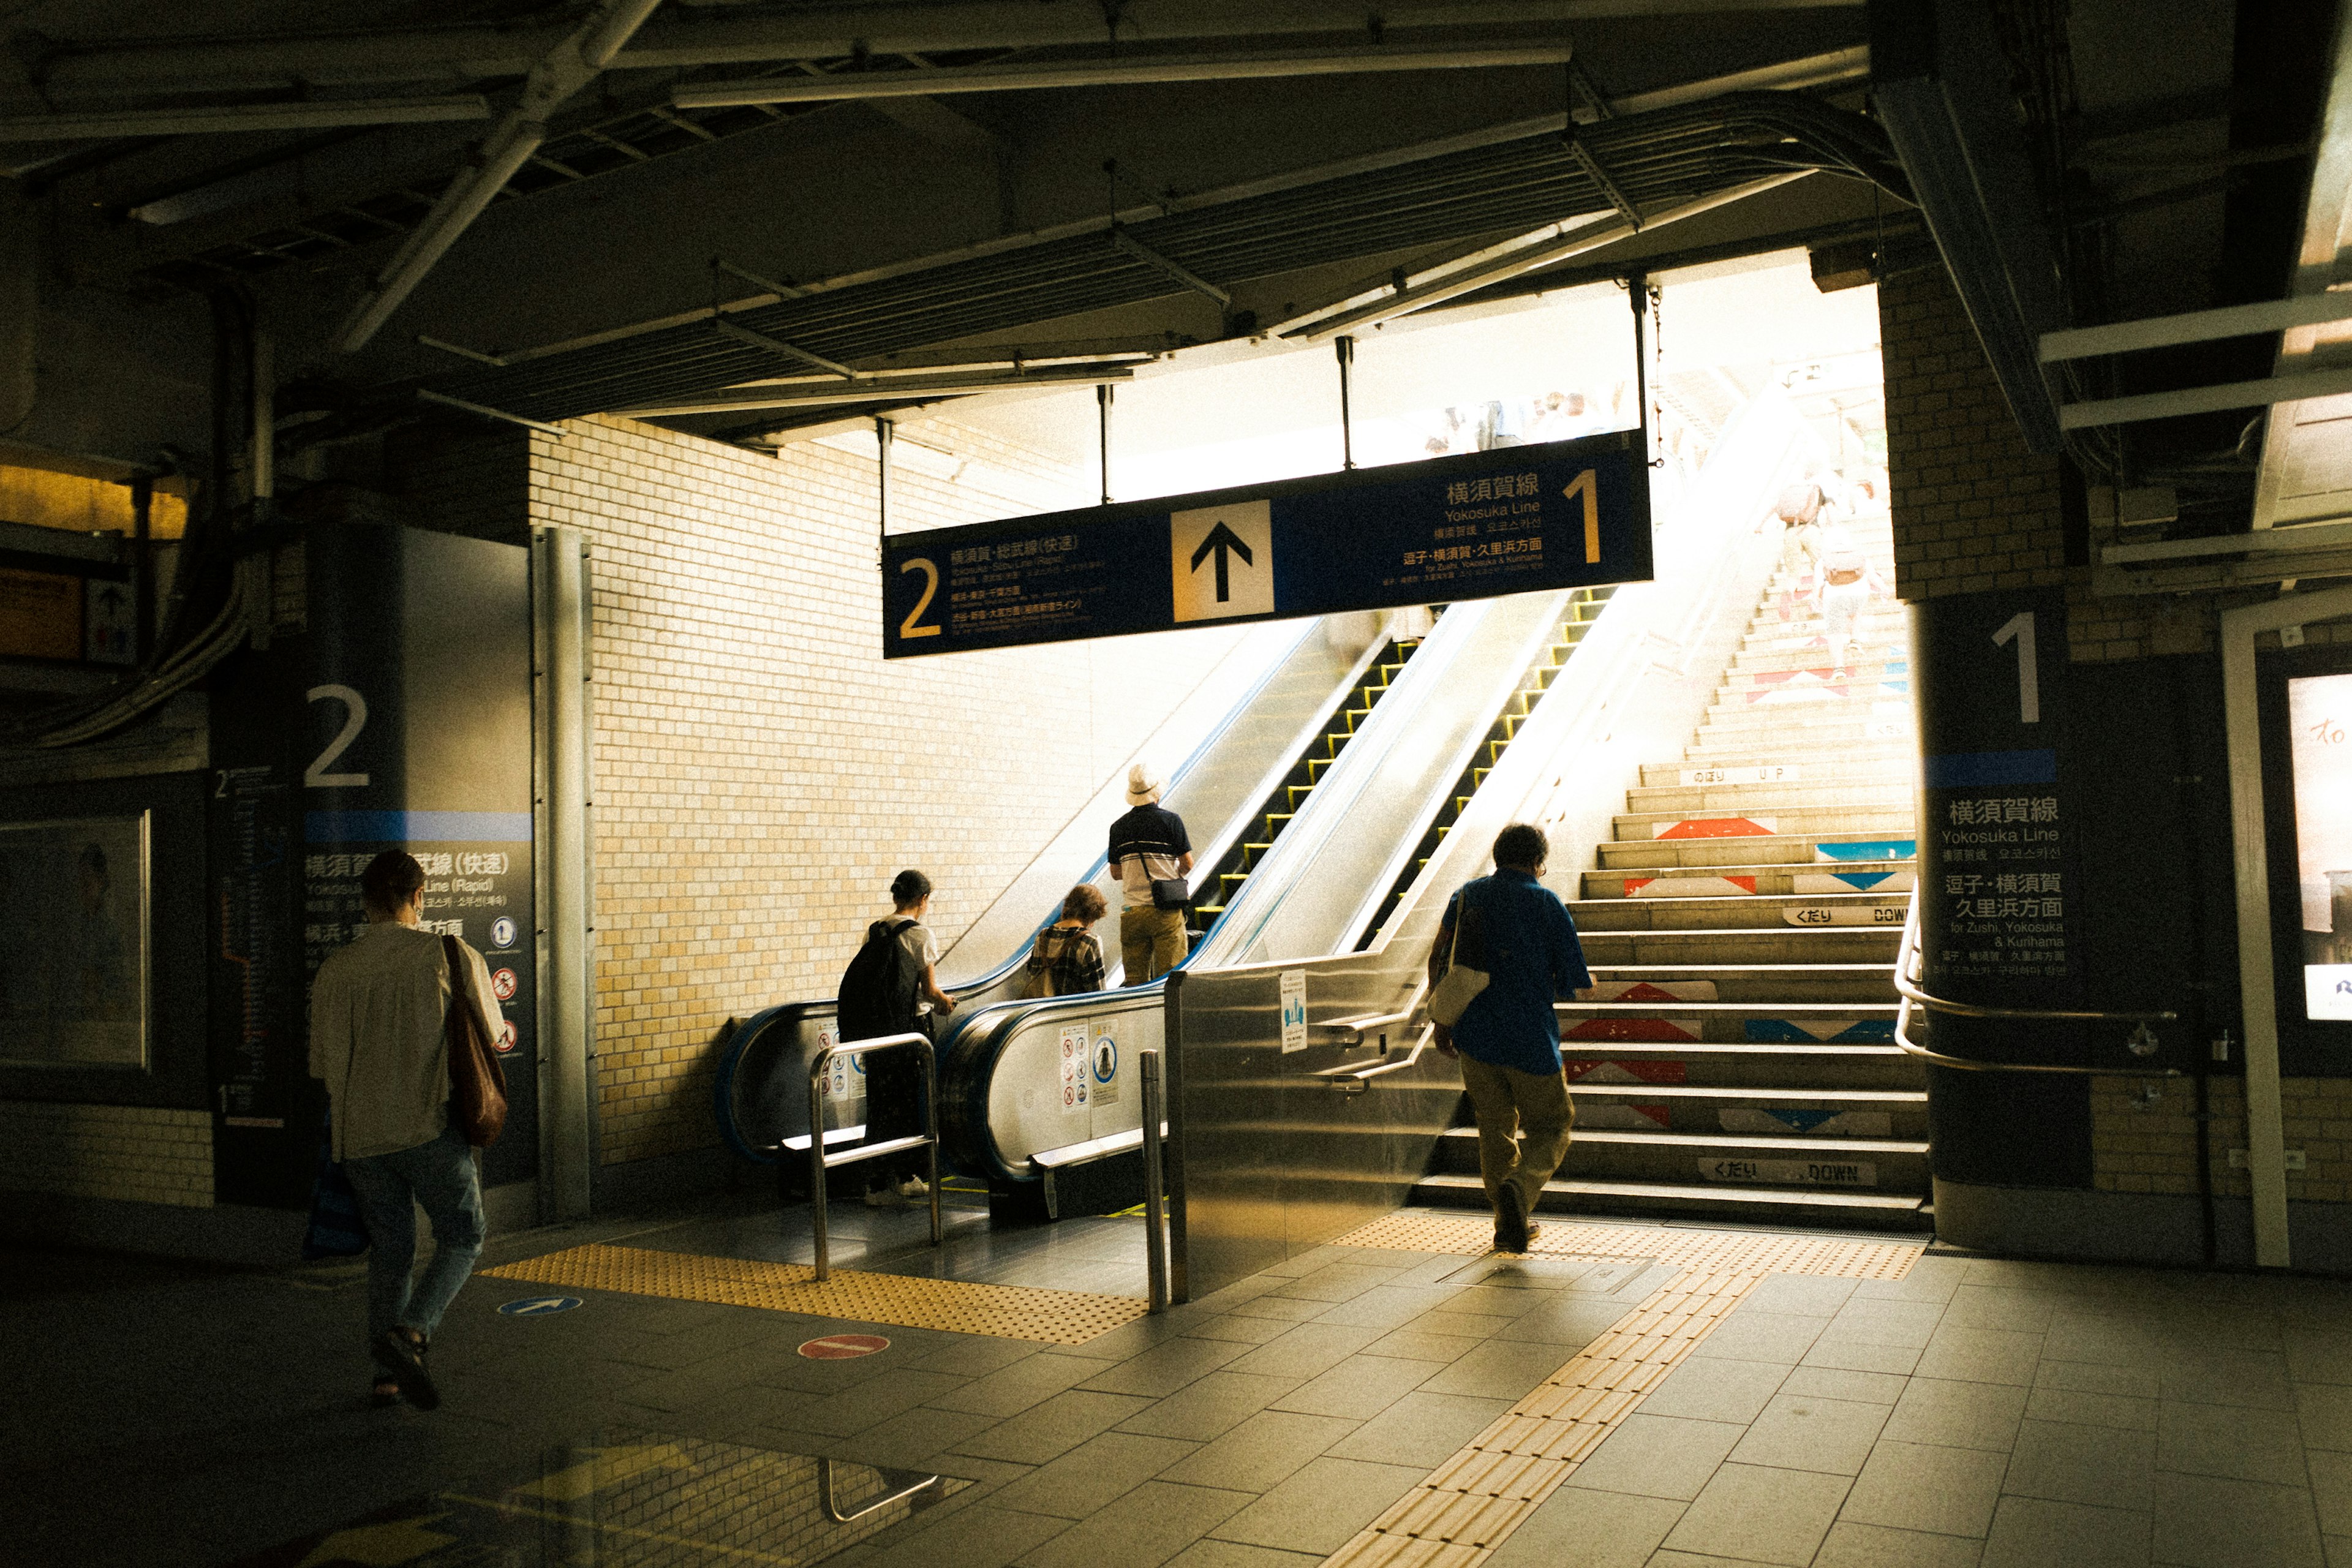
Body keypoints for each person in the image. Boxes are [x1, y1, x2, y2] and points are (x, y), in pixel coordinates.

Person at [309, 850, 503, 1411]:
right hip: (427, 1126)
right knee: (464, 1234)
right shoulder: (447, 954)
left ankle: (386, 1378)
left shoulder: (335, 969)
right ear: (418, 898)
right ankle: (412, 1332)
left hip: (360, 1140)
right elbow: (491, 1032)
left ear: (366, 902)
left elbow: (322, 1064)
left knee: (391, 1249)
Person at [1427, 823, 1596, 1254]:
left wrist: (1441, 1019)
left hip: (1475, 1035)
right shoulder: (1545, 902)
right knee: (1554, 1124)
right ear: (1539, 861)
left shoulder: (1466, 895)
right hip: (1529, 1038)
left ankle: (1507, 1224)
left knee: (1494, 1127)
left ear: (1498, 854)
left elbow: (1440, 957)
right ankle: (1519, 1188)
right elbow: (1577, 979)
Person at [853, 869, 956, 1207]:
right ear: (923, 900)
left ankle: (875, 1182)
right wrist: (946, 1003)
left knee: (881, 1103)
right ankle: (906, 1176)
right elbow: (930, 991)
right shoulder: (921, 935)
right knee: (910, 1101)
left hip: (877, 1028)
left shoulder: (876, 930)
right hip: (911, 1030)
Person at [1109, 763, 1193, 984]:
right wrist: (1170, 871)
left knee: (1135, 980)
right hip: (1166, 910)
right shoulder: (1171, 821)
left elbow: (1116, 873)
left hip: (1132, 911)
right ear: (1156, 792)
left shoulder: (1117, 828)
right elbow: (1188, 864)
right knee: (1171, 977)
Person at [1023, 884, 1109, 998]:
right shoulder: (1090, 942)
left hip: (1044, 1011)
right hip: (1075, 1011)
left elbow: (1033, 973)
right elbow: (1098, 991)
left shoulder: (1043, 935)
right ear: (1093, 913)